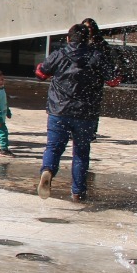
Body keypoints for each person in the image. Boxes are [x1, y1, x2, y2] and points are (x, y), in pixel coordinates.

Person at [36, 22, 113, 202]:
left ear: (68, 38)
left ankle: (47, 170)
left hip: (59, 111)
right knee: (81, 152)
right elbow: (114, 80)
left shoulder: (59, 54)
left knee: (53, 147)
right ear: (88, 39)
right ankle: (78, 192)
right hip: (86, 114)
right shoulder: (96, 56)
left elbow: (40, 74)